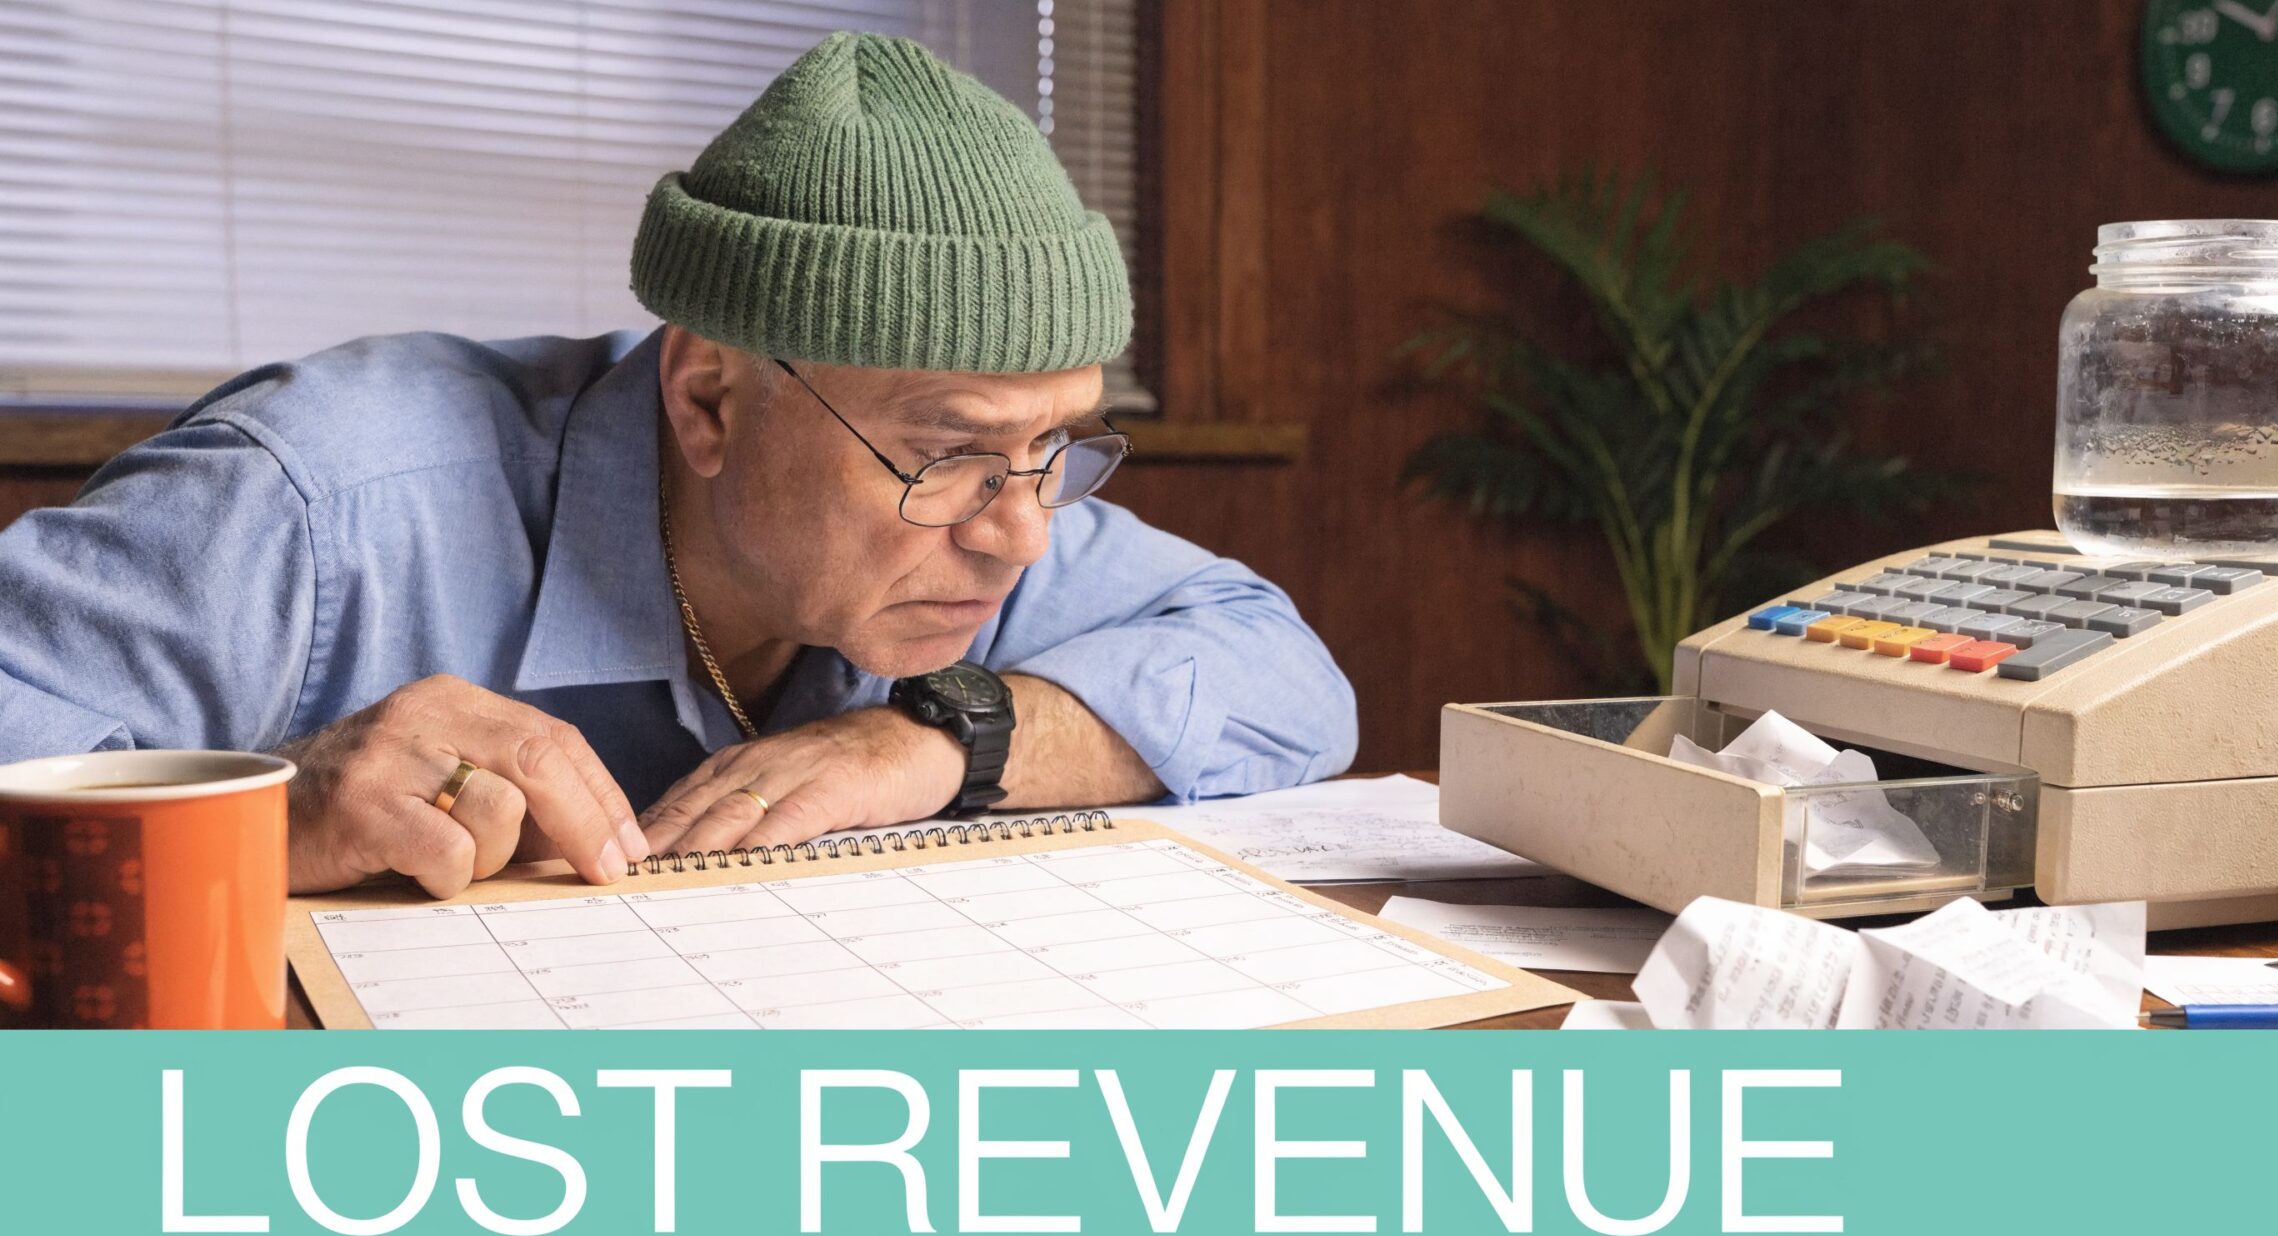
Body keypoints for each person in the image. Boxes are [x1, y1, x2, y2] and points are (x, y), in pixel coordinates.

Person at [0, 33, 1355, 899]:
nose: (1023, 540)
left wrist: (941, 735)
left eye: (1054, 448)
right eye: (948, 455)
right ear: (709, 396)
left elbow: (1286, 677)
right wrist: (267, 819)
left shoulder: (986, 518)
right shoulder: (316, 505)